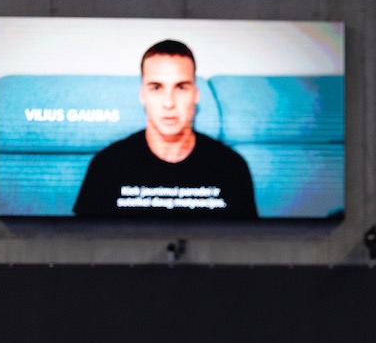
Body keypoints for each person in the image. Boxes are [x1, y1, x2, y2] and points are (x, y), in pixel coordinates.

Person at [73, 40, 257, 218]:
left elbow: (249, 237)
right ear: (142, 95)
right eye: (156, 88)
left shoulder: (231, 167)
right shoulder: (107, 166)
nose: (168, 103)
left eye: (181, 87)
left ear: (195, 94)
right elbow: (82, 237)